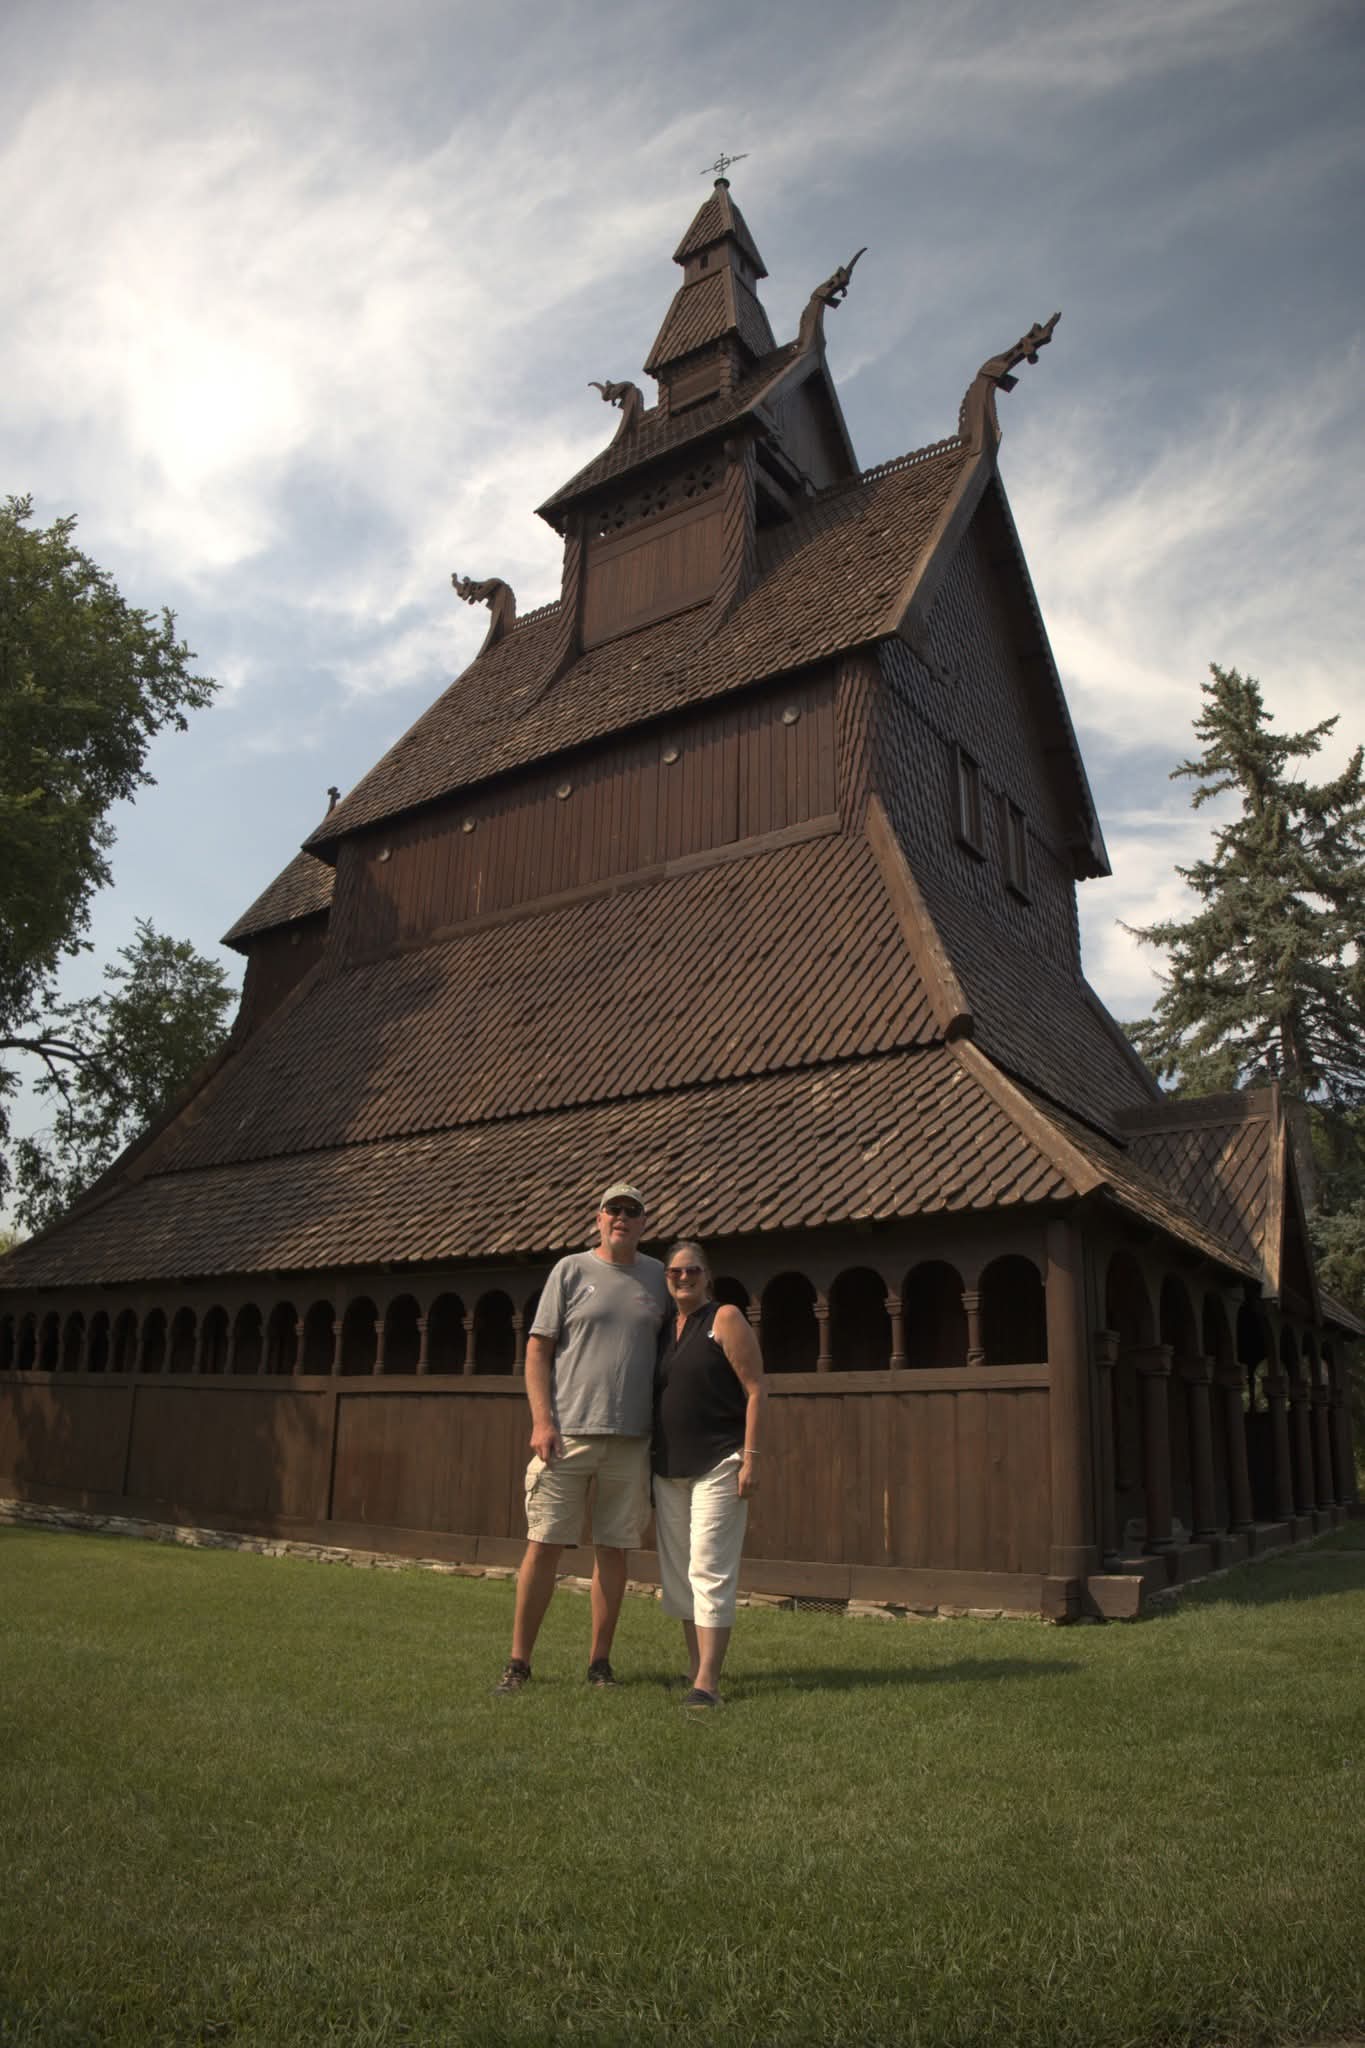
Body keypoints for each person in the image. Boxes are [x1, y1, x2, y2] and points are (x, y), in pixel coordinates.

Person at [494, 1182, 669, 1695]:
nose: (622, 1217)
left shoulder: (658, 1276)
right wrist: (542, 1421)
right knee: (543, 1545)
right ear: (599, 1218)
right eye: (614, 1209)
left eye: (632, 1211)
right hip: (567, 1434)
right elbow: (537, 1350)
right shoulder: (570, 1270)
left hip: (631, 1438)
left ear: (644, 1223)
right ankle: (519, 1663)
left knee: (614, 1550)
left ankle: (600, 1664)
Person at [652, 1240, 765, 1709]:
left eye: (692, 1270)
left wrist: (751, 1456)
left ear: (707, 1275)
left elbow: (755, 1389)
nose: (684, 1277)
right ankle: (695, 1667)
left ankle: (709, 1685)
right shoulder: (663, 1329)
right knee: (680, 1576)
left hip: (718, 1462)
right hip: (668, 1467)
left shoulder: (725, 1318)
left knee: (709, 1568)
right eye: (675, 1272)